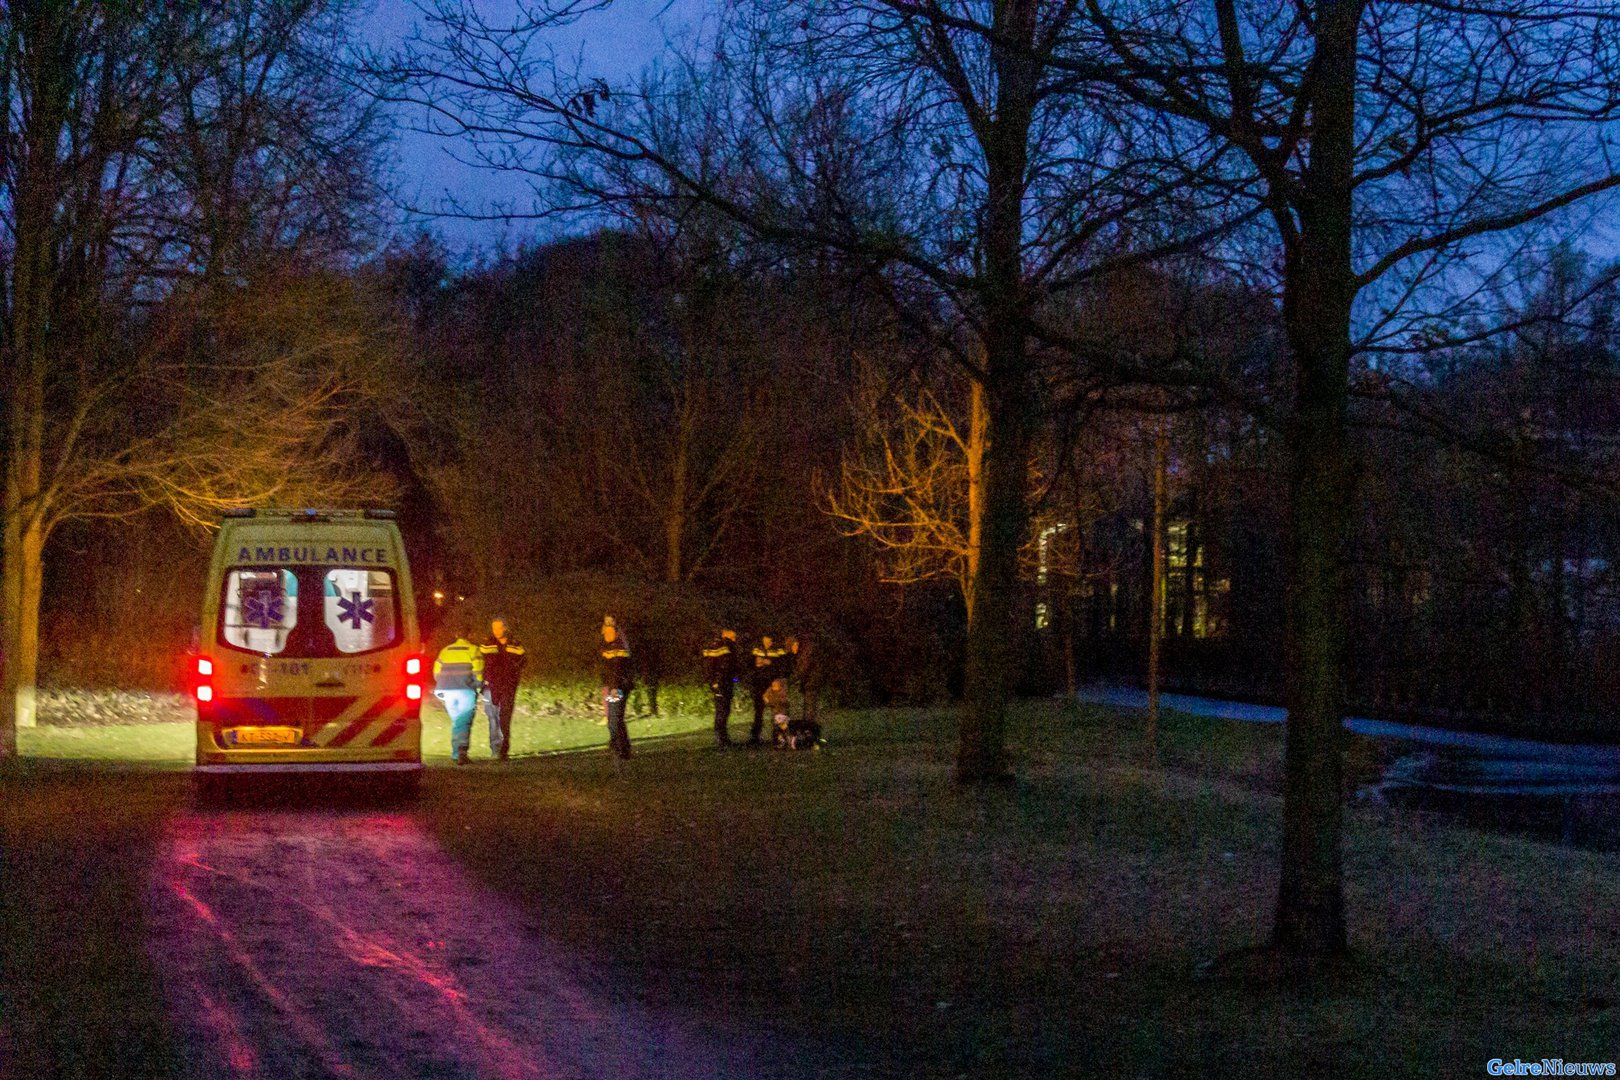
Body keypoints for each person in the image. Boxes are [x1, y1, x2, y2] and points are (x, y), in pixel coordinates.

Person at [433, 628, 485, 765]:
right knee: (463, 722)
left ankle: (456, 752)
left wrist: (443, 683)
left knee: (457, 721)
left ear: (456, 635)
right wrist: (478, 687)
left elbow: (436, 671)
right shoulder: (473, 650)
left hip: (447, 690)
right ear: (470, 634)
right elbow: (478, 672)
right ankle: (461, 752)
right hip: (465, 689)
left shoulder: (445, 651)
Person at [478, 615, 527, 761]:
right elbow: (481, 662)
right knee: (493, 717)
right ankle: (495, 747)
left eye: (499, 627)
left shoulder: (515, 644)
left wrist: (514, 674)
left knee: (505, 716)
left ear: (505, 627)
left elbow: (523, 661)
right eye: (494, 628)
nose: (496, 631)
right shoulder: (487, 644)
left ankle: (504, 748)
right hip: (491, 686)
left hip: (508, 686)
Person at [599, 615, 634, 760]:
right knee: (614, 718)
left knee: (615, 719)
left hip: (617, 687)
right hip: (612, 686)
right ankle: (620, 747)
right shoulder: (607, 647)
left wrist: (613, 688)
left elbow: (618, 670)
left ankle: (621, 748)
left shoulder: (618, 647)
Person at [700, 628, 741, 747]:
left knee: (723, 709)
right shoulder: (723, 646)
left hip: (723, 682)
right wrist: (717, 681)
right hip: (722, 683)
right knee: (722, 710)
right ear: (726, 634)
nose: (735, 638)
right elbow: (724, 666)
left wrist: (734, 679)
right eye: (733, 636)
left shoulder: (714, 645)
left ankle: (722, 737)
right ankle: (721, 738)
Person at [748, 633, 789, 746]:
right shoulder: (756, 649)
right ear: (763, 639)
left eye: (770, 640)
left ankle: (777, 737)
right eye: (766, 639)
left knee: (777, 712)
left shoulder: (777, 650)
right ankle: (755, 737)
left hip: (772, 685)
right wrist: (756, 664)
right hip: (759, 684)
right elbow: (750, 664)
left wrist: (770, 663)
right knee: (758, 712)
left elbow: (783, 665)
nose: (768, 642)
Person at [787, 635, 822, 729]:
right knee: (808, 707)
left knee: (810, 708)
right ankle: (808, 729)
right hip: (808, 683)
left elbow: (803, 669)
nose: (793, 652)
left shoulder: (806, 652)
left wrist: (791, 680)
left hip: (811, 683)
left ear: (795, 644)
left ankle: (809, 730)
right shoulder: (804, 651)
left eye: (791, 649)